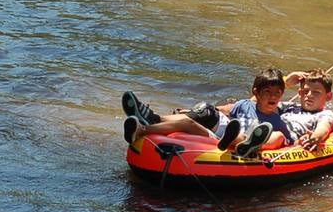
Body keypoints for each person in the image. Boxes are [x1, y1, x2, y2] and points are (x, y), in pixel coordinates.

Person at [123, 68, 299, 159]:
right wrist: (192, 113)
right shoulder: (244, 104)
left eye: (277, 93)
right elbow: (220, 110)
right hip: (221, 139)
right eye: (268, 92)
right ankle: (144, 125)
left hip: (243, 142)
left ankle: (249, 144)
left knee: (276, 135)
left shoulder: (277, 119)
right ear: (256, 93)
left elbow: (290, 142)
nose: (273, 97)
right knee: (201, 113)